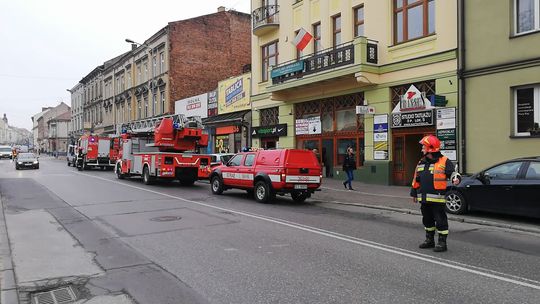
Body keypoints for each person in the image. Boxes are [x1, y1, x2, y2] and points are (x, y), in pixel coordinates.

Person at [411, 135, 461, 252]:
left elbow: (453, 174)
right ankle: (430, 240)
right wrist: (414, 193)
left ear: (430, 148)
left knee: (440, 221)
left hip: (438, 200)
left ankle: (442, 243)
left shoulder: (444, 161)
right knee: (427, 220)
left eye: (423, 146)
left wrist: (456, 179)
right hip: (424, 198)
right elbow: (416, 179)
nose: (422, 149)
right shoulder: (421, 162)